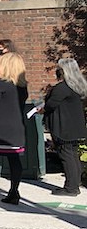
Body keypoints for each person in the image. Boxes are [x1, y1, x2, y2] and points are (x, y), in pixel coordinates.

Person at [0, 52, 29, 206]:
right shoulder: (23, 87)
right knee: (15, 160)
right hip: (17, 127)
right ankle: (14, 191)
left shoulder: (2, 84)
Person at [41, 58, 87, 196]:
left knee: (66, 155)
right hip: (74, 126)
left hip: (63, 127)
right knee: (72, 154)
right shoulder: (78, 87)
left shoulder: (62, 88)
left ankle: (71, 187)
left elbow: (50, 105)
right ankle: (74, 183)